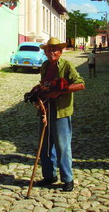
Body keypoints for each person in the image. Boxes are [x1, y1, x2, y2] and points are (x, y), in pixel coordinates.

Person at [31, 37, 85, 192]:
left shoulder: (67, 65)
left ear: (60, 52)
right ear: (45, 52)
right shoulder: (45, 66)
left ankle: (68, 179)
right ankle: (49, 176)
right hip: (45, 110)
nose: (52, 52)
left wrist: (59, 91)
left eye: (55, 50)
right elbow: (44, 85)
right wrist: (38, 93)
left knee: (62, 147)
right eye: (49, 50)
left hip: (61, 111)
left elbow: (81, 84)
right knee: (45, 147)